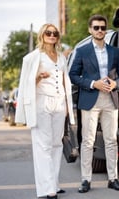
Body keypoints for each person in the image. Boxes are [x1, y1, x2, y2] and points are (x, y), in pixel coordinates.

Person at [69, 14, 119, 193]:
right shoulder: (82, 51)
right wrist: (93, 83)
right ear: (90, 30)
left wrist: (115, 83)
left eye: (103, 28)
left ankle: (113, 179)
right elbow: (73, 75)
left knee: (111, 141)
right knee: (88, 141)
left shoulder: (114, 52)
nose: (100, 31)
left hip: (110, 100)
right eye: (96, 28)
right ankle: (86, 180)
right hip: (90, 99)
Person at [15, 24, 75, 199]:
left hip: (59, 104)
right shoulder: (33, 57)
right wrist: (37, 77)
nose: (52, 35)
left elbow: (65, 82)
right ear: (42, 35)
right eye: (48, 33)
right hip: (41, 103)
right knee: (43, 146)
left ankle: (54, 184)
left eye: (55, 33)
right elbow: (24, 85)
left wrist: (66, 107)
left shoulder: (62, 58)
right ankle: (47, 189)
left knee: (56, 144)